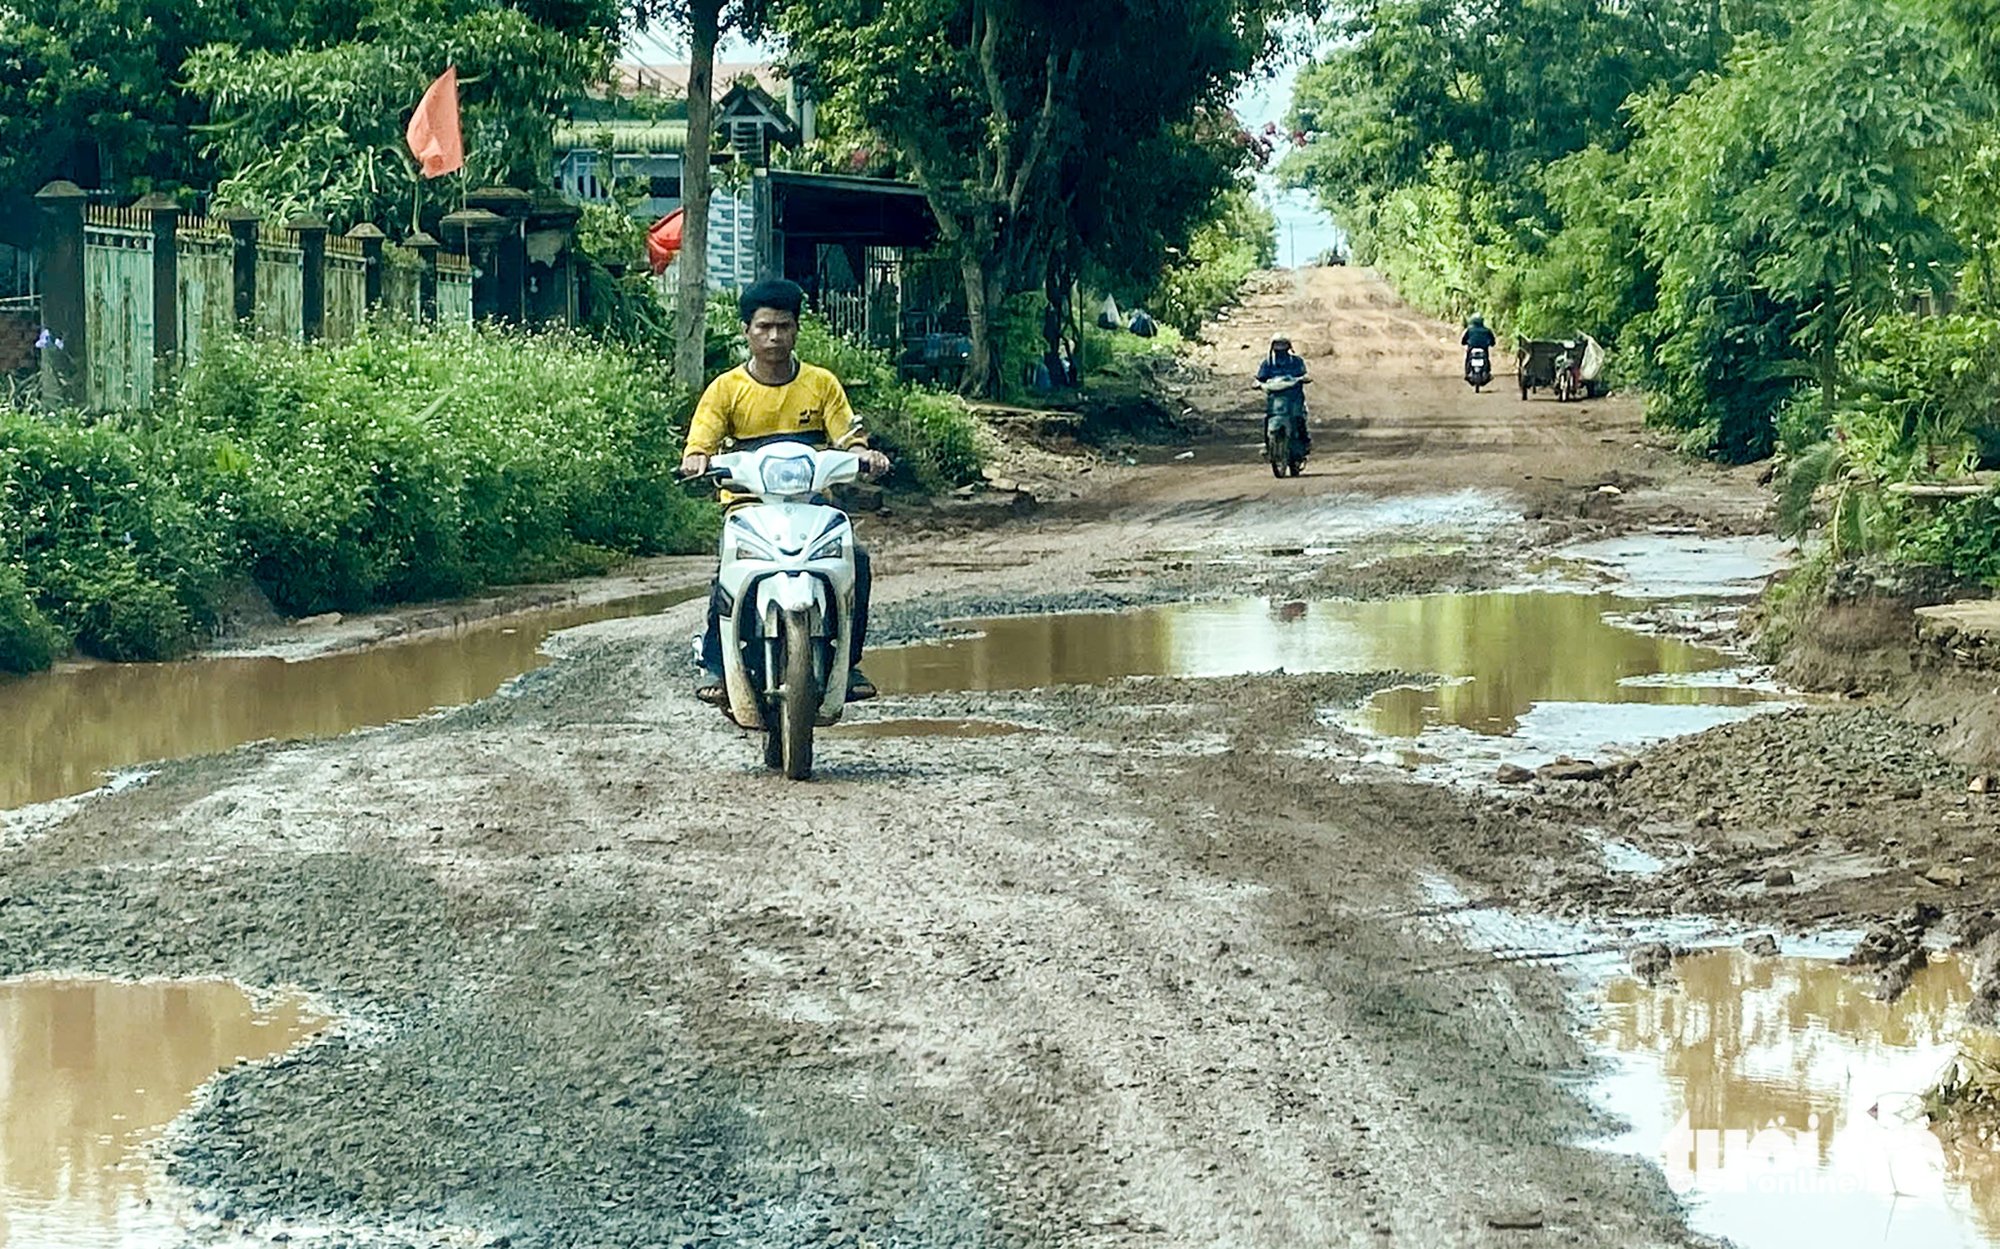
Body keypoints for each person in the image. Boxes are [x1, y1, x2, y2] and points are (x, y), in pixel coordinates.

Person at [679, 279, 890, 705]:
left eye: (784, 326)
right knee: (727, 572)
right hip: (748, 506)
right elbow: (700, 440)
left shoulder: (822, 384)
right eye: (764, 327)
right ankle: (719, 665)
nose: (774, 336)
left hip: (814, 506)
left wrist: (864, 455)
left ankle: (846, 664)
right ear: (746, 331)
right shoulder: (726, 389)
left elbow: (849, 435)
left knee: (858, 560)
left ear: (796, 330)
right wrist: (697, 458)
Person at [1255, 335, 1310, 452]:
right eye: (1277, 345)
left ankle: (1305, 442)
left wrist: (1302, 379)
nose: (1280, 349)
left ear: (1289, 347)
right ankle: (1268, 444)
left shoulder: (1296, 361)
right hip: (1275, 398)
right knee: (1269, 418)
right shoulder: (1268, 363)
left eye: (1283, 345)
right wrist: (1257, 383)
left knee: (1298, 418)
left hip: (1294, 397)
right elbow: (1260, 378)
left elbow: (1303, 374)